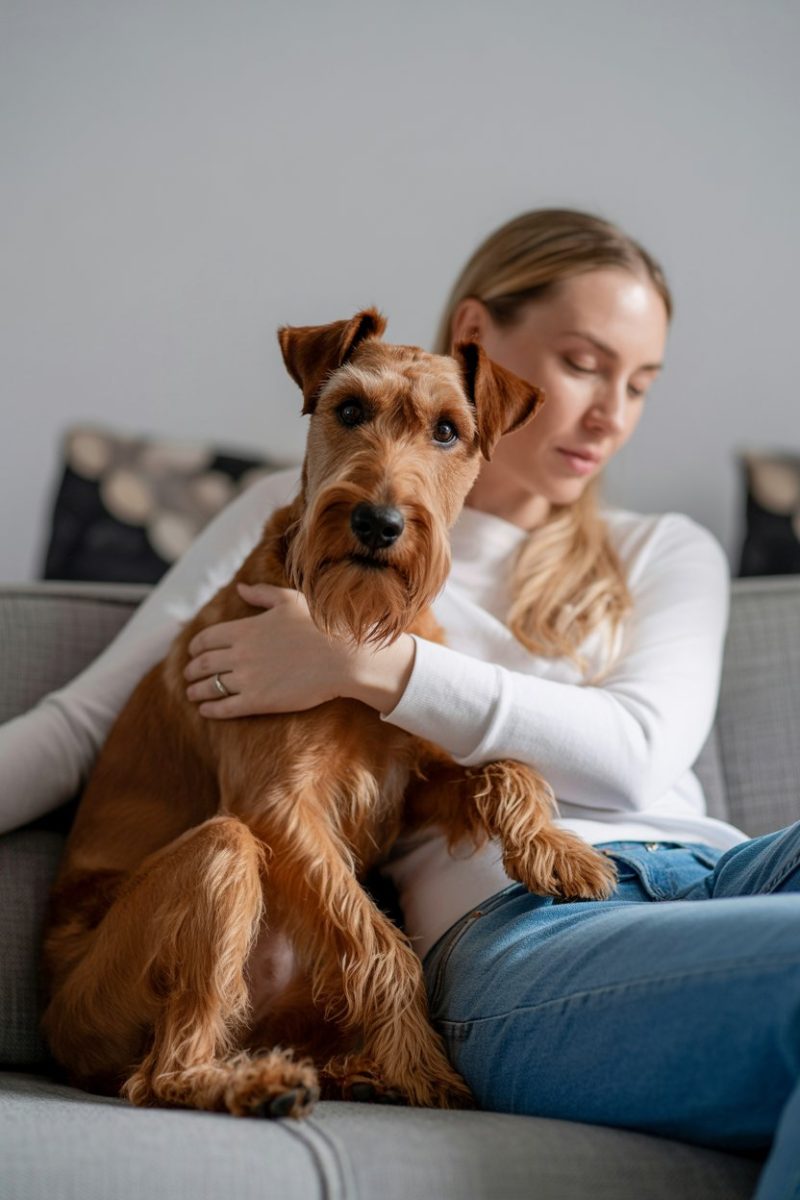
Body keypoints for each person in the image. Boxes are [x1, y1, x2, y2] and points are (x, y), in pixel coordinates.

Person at [1, 209, 797, 1199]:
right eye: (584, 365)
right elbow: (86, 726)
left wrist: (364, 671)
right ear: (474, 329)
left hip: (728, 868)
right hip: (527, 930)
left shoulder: (663, 548)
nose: (608, 416)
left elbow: (638, 754)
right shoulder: (287, 537)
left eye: (639, 384)